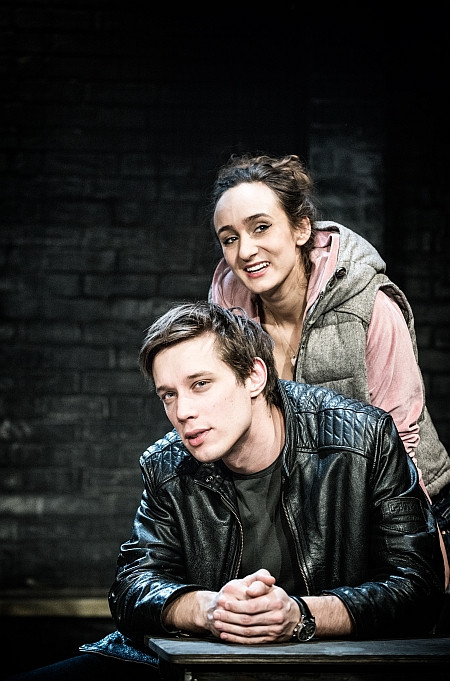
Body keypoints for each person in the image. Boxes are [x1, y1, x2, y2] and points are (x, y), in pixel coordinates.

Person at [6, 302, 445, 681]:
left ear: (254, 376)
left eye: (200, 384)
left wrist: (301, 615)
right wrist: (209, 609)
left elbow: (418, 586)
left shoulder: (363, 439)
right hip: (201, 664)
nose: (183, 412)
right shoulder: (167, 465)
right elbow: (132, 587)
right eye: (168, 395)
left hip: (334, 666)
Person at [208, 152, 450, 579]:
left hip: (405, 502)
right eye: (229, 238)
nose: (245, 251)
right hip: (310, 514)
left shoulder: (369, 305)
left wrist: (417, 542)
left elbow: (401, 437)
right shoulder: (228, 312)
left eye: (261, 227)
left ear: (301, 228)